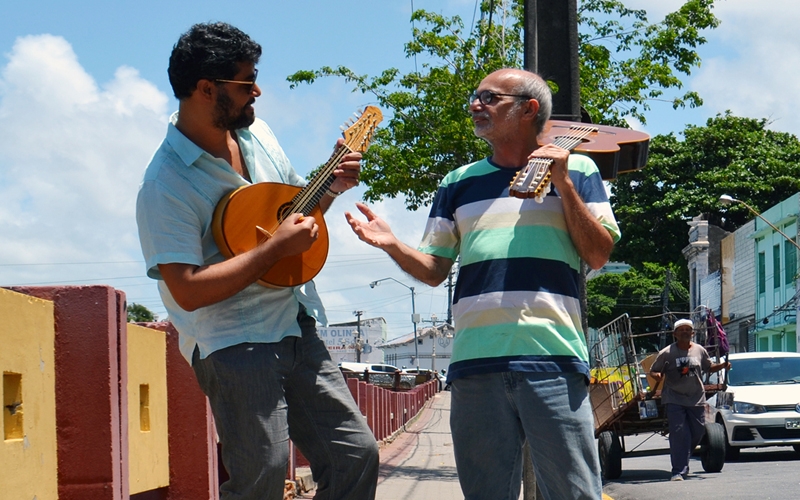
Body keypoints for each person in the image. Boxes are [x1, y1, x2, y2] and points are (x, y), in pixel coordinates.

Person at [345, 68, 620, 499]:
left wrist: (562, 181)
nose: (476, 105)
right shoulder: (457, 183)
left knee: (575, 492)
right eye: (475, 97)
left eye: (490, 98)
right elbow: (435, 270)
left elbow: (598, 253)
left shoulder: (579, 169)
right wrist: (391, 244)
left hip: (552, 360)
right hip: (475, 367)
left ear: (529, 108)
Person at [135, 22, 378, 500]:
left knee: (355, 455)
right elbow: (185, 287)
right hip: (231, 343)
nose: (258, 92)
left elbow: (293, 214)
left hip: (294, 322)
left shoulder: (258, 134)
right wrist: (270, 250)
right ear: (207, 89)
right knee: (262, 477)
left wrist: (327, 188)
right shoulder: (165, 184)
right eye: (247, 84)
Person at [649, 318, 730, 481]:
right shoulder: (667, 353)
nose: (685, 332)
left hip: (696, 398)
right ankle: (678, 470)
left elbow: (708, 367)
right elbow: (653, 371)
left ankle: (683, 455)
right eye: (681, 330)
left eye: (688, 330)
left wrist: (722, 366)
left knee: (698, 431)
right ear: (675, 334)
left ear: (692, 333)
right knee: (679, 433)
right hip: (674, 398)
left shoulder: (699, 350)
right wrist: (656, 375)